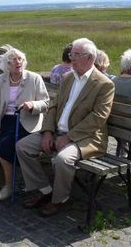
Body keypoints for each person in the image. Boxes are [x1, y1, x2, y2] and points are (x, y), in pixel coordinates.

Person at [16, 38, 115, 217]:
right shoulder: (68, 77)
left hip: (86, 138)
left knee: (62, 159)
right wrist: (47, 132)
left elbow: (98, 118)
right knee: (23, 146)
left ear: (90, 58)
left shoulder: (104, 84)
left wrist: (69, 137)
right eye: (71, 54)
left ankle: (59, 199)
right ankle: (45, 190)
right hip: (57, 133)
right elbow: (53, 106)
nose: (72, 58)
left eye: (76, 55)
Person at [0, 46, 49, 201]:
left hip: (26, 121)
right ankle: (0, 180)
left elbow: (46, 102)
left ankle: (8, 186)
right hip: (5, 120)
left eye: (20, 59)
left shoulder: (34, 78)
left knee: (4, 146)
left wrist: (33, 105)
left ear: (24, 62)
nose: (17, 62)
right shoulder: (1, 80)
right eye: (13, 60)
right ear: (7, 65)